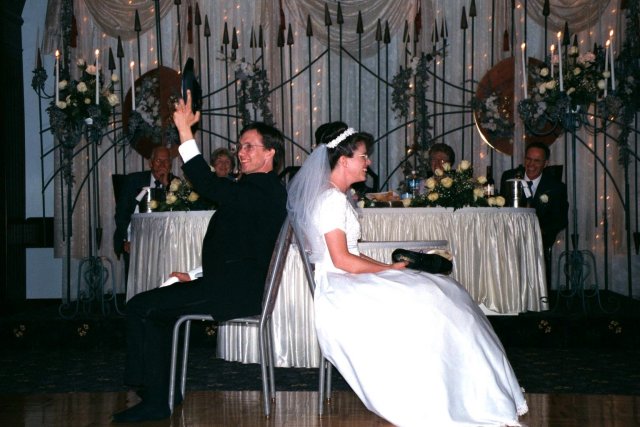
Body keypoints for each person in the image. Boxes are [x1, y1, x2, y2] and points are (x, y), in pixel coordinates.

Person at [287, 122, 528, 426]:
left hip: (345, 280)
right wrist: (387, 269)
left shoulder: (334, 196)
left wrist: (388, 268)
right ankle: (460, 395)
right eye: (363, 156)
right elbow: (342, 260)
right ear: (344, 160)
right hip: (341, 290)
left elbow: (348, 254)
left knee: (442, 291)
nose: (368, 162)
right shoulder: (331, 200)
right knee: (436, 300)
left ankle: (468, 391)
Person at [112, 91, 287, 423]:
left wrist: (184, 131)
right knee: (157, 309)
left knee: (141, 307)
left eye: (249, 147)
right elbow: (237, 248)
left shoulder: (262, 188)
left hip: (235, 291)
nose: (240, 152)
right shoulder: (259, 190)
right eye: (240, 146)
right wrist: (194, 275)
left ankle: (153, 397)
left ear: (270, 153)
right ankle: (164, 394)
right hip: (231, 284)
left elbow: (207, 183)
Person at [500, 141, 568, 288]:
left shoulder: (556, 187)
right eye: (528, 159)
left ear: (546, 163)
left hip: (539, 241)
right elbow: (500, 208)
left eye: (537, 161)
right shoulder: (509, 177)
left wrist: (539, 232)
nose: (531, 164)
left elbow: (561, 219)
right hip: (508, 238)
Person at [113, 146, 173, 277]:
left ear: (170, 165)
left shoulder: (175, 183)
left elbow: (178, 214)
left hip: (164, 241)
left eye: (166, 161)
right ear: (150, 163)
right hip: (135, 237)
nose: (162, 165)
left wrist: (166, 185)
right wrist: (127, 240)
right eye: (158, 161)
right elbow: (121, 214)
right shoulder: (133, 181)